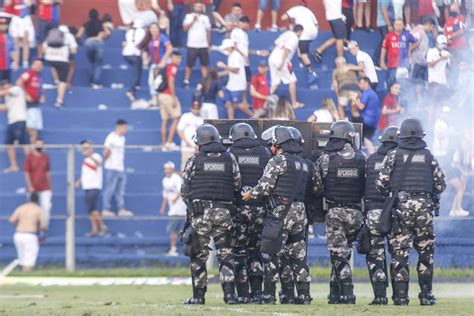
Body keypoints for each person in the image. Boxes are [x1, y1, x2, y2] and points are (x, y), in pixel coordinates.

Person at [376, 118, 446, 305]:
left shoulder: (393, 155)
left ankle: (400, 296)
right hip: (424, 209)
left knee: (400, 251)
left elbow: (380, 184)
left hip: (401, 208)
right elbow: (440, 184)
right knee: (426, 252)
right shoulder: (429, 156)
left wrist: (396, 194)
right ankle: (426, 295)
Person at [242, 126, 312, 305]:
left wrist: (250, 194)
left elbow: (265, 188)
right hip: (300, 211)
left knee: (271, 254)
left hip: (280, 212)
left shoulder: (278, 161)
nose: (271, 148)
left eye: (273, 144)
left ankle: (269, 295)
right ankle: (303, 295)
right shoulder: (303, 163)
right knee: (298, 255)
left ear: (277, 143)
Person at [181, 124, 241, 304]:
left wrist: (194, 206)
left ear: (200, 143)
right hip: (224, 212)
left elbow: (185, 190)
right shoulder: (230, 158)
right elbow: (237, 185)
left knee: (198, 256)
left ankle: (198, 297)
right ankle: (230, 295)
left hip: (201, 214)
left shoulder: (194, 160)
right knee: (226, 254)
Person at [314, 120, 366, 304]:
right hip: (356, 213)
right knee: (343, 253)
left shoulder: (325, 159)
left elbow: (317, 187)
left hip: (335, 212)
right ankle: (334, 293)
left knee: (338, 254)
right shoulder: (362, 158)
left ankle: (347, 292)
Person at [228, 123, 272, 303]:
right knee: (256, 251)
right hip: (261, 209)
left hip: (238, 209)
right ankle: (257, 292)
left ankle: (243, 293)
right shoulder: (265, 152)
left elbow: (230, 181)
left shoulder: (230, 153)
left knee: (238, 252)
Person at [363, 126, 399, 305]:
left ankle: (380, 296)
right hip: (394, 211)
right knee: (398, 254)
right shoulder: (400, 159)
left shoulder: (370, 160)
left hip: (373, 211)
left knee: (375, 254)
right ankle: (400, 296)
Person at [102, 119, 134, 218]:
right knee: (110, 189)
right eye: (125, 128)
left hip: (120, 168)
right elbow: (106, 152)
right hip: (112, 167)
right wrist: (106, 161)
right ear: (119, 127)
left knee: (120, 190)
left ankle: (121, 209)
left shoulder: (122, 139)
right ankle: (105, 209)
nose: (126, 130)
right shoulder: (111, 137)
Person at [281, 1, 318, 84]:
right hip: (314, 33)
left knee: (303, 53)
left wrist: (290, 22)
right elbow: (316, 25)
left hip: (304, 32)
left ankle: (312, 73)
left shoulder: (295, 9)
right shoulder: (309, 11)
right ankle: (300, 58)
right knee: (299, 41)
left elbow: (283, 17)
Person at [76, 140, 108, 237]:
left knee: (92, 208)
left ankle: (102, 225)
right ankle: (94, 229)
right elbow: (85, 173)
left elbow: (98, 164)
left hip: (94, 186)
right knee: (90, 209)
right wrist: (79, 181)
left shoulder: (96, 156)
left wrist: (89, 154)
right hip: (87, 186)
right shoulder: (85, 161)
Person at [268, 24, 304, 110]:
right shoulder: (294, 37)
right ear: (299, 32)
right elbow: (287, 49)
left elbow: (276, 42)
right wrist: (282, 62)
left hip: (272, 58)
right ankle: (294, 103)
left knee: (275, 82)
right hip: (282, 61)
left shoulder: (286, 33)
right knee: (292, 80)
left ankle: (263, 102)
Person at [9, 192, 47, 272]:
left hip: (18, 234)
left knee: (22, 258)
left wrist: (20, 224)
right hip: (30, 235)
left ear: (29, 199)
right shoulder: (38, 209)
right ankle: (26, 274)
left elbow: (12, 220)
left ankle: (22, 273)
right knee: (29, 259)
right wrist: (39, 229)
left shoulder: (21, 208)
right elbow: (44, 225)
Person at [43, 25, 78, 109]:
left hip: (49, 58)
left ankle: (56, 81)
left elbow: (44, 49)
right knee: (63, 81)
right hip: (62, 59)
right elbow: (74, 51)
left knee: (54, 66)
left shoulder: (51, 35)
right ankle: (59, 101)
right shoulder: (69, 36)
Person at [75, 9, 112, 88]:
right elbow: (108, 33)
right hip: (99, 42)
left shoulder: (86, 24)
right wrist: (103, 38)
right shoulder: (102, 23)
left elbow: (78, 36)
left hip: (89, 42)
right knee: (98, 63)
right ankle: (96, 82)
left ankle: (91, 81)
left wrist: (81, 43)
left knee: (92, 62)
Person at [217, 39, 252, 119]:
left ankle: (254, 116)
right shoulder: (231, 55)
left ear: (230, 47)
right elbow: (230, 70)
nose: (225, 49)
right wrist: (219, 74)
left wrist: (224, 66)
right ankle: (231, 121)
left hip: (237, 84)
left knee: (238, 104)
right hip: (231, 84)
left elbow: (236, 70)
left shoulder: (236, 56)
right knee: (229, 103)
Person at [380, 19, 418, 88]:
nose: (398, 26)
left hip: (404, 66)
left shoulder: (407, 35)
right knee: (390, 85)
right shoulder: (389, 36)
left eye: (400, 25)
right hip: (392, 66)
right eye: (396, 25)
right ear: (394, 26)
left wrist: (410, 50)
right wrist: (382, 61)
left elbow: (416, 42)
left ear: (403, 26)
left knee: (405, 86)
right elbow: (384, 48)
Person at [160, 161, 187, 255]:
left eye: (168, 169)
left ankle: (175, 249)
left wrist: (175, 199)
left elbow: (181, 190)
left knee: (176, 230)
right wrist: (163, 208)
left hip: (180, 208)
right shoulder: (164, 180)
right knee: (174, 231)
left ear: (172, 169)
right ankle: (174, 249)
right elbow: (165, 196)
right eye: (165, 169)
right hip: (172, 210)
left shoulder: (176, 178)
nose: (166, 171)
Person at [0, 80, 27, 173]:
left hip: (20, 120)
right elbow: (5, 108)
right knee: (9, 144)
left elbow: (7, 92)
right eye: (3, 86)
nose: (5, 86)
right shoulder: (7, 97)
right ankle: (14, 166)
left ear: (10, 84)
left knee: (24, 143)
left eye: (6, 84)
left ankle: (31, 166)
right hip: (12, 122)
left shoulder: (16, 89)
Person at [16, 59, 45, 144]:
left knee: (35, 125)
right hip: (27, 104)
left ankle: (33, 142)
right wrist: (26, 95)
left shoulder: (40, 76)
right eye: (36, 64)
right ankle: (31, 141)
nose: (38, 66)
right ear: (32, 65)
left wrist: (43, 96)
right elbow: (19, 82)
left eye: (40, 64)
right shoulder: (28, 73)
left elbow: (41, 87)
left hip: (36, 103)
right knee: (30, 125)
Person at [24, 139, 52, 225]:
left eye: (41, 144)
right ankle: (32, 226)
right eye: (38, 144)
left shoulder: (45, 157)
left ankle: (44, 227)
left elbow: (48, 172)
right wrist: (30, 186)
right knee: (32, 208)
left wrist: (50, 186)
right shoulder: (30, 157)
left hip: (45, 187)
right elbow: (27, 173)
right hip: (33, 188)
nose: (39, 146)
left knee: (46, 207)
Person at [183, 2, 211, 89]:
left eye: (200, 7)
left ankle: (206, 81)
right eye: (196, 7)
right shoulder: (188, 16)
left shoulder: (205, 18)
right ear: (194, 7)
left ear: (202, 8)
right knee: (189, 64)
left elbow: (208, 31)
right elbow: (185, 29)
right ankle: (186, 81)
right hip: (192, 44)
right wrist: (193, 20)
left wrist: (208, 43)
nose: (198, 8)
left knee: (204, 64)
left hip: (203, 45)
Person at [349, 77, 381, 154]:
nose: (359, 86)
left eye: (361, 83)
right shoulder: (373, 93)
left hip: (367, 121)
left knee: (350, 122)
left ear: (366, 83)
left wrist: (354, 99)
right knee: (366, 138)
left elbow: (361, 106)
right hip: (372, 121)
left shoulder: (367, 93)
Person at [410, 17, 434, 110]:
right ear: (430, 25)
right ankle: (418, 104)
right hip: (417, 63)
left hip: (421, 62)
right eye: (432, 28)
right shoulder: (419, 32)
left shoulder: (420, 31)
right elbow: (412, 45)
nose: (431, 30)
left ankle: (420, 103)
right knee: (417, 83)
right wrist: (412, 57)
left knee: (420, 83)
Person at [146, 22, 172, 107]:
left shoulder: (162, 37)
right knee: (151, 81)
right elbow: (151, 52)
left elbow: (169, 48)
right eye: (152, 28)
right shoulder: (150, 40)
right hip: (155, 63)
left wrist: (164, 61)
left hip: (163, 63)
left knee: (162, 82)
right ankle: (154, 101)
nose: (153, 30)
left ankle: (164, 101)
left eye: (155, 28)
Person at [159, 51, 182, 148]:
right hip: (168, 95)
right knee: (176, 117)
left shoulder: (167, 66)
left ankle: (164, 143)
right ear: (174, 57)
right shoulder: (173, 67)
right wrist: (173, 97)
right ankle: (169, 142)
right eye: (178, 58)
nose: (180, 60)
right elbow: (171, 82)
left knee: (164, 120)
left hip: (161, 95)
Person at [447, 131, 472, 217]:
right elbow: (456, 163)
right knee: (460, 189)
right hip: (451, 172)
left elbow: (467, 167)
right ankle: (459, 209)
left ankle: (454, 210)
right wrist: (463, 172)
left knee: (459, 190)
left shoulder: (467, 154)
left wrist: (465, 174)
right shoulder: (458, 151)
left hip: (457, 173)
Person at [4, 0, 35, 69]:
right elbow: (7, 3)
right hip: (16, 17)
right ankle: (16, 61)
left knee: (26, 42)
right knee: (15, 43)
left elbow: (30, 5)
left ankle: (25, 62)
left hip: (25, 18)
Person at [122, 19, 147, 102]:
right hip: (135, 53)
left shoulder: (129, 32)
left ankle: (136, 85)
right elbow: (142, 45)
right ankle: (132, 89)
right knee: (137, 68)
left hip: (126, 53)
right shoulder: (143, 32)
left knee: (138, 65)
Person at [426, 35, 451, 114]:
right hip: (433, 81)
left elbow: (448, 67)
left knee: (441, 103)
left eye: (444, 43)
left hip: (443, 82)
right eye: (441, 43)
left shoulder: (446, 53)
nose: (442, 45)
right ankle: (430, 121)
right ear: (437, 43)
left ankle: (440, 121)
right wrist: (440, 59)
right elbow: (430, 64)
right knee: (432, 102)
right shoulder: (431, 51)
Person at [177, 99, 204, 170]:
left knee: (196, 170)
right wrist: (187, 142)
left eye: (197, 108)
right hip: (187, 148)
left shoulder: (201, 119)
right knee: (185, 168)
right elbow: (180, 130)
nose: (195, 110)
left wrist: (199, 147)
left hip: (197, 150)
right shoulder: (185, 116)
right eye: (194, 108)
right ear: (191, 108)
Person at [374, 0, 394, 67]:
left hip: (384, 23)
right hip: (384, 23)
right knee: (385, 43)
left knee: (384, 42)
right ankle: (376, 60)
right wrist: (389, 24)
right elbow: (383, 9)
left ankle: (380, 61)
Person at [0, 16, 16, 81]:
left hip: (7, 66)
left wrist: (15, 61)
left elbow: (12, 50)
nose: (3, 26)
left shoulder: (9, 37)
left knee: (8, 85)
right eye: (1, 25)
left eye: (5, 25)